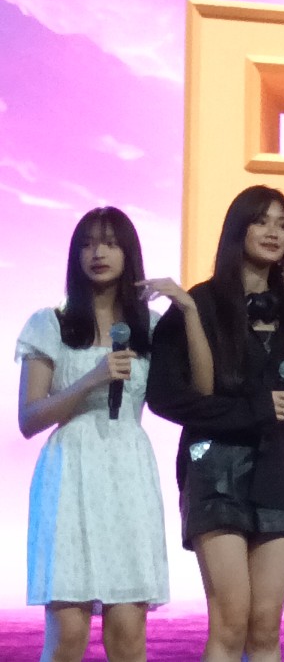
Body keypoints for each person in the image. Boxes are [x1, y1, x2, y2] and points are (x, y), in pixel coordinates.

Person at [146, 185, 284, 662]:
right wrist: (251, 411)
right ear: (238, 229)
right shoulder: (200, 303)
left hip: (277, 473)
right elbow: (166, 396)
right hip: (215, 472)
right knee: (231, 622)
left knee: (266, 628)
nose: (274, 233)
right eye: (261, 221)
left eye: (283, 224)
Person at [16, 207, 209, 662]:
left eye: (109, 243)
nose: (97, 253)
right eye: (86, 244)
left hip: (128, 472)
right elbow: (29, 419)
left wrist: (189, 310)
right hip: (70, 472)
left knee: (127, 636)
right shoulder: (51, 323)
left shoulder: (151, 328)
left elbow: (202, 389)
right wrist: (91, 379)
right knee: (68, 635)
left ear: (128, 253)